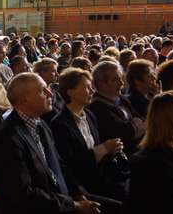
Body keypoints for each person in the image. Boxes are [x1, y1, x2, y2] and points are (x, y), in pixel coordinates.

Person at [0, 73, 114, 214]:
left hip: (59, 200)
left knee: (118, 212)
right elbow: (25, 195)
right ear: (24, 99)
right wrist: (74, 206)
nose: (50, 93)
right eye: (42, 90)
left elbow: (60, 167)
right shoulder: (8, 139)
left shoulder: (40, 124)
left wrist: (79, 195)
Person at [51, 68, 128, 200]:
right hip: (84, 187)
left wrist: (112, 150)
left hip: (103, 177)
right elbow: (73, 165)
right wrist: (104, 148)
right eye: (87, 87)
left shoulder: (90, 115)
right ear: (70, 92)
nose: (92, 91)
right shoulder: (60, 124)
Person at [89, 61, 145, 156]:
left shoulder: (122, 98)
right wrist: (134, 127)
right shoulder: (97, 107)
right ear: (102, 84)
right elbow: (122, 134)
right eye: (115, 80)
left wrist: (134, 127)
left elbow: (140, 119)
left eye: (120, 78)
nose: (121, 83)